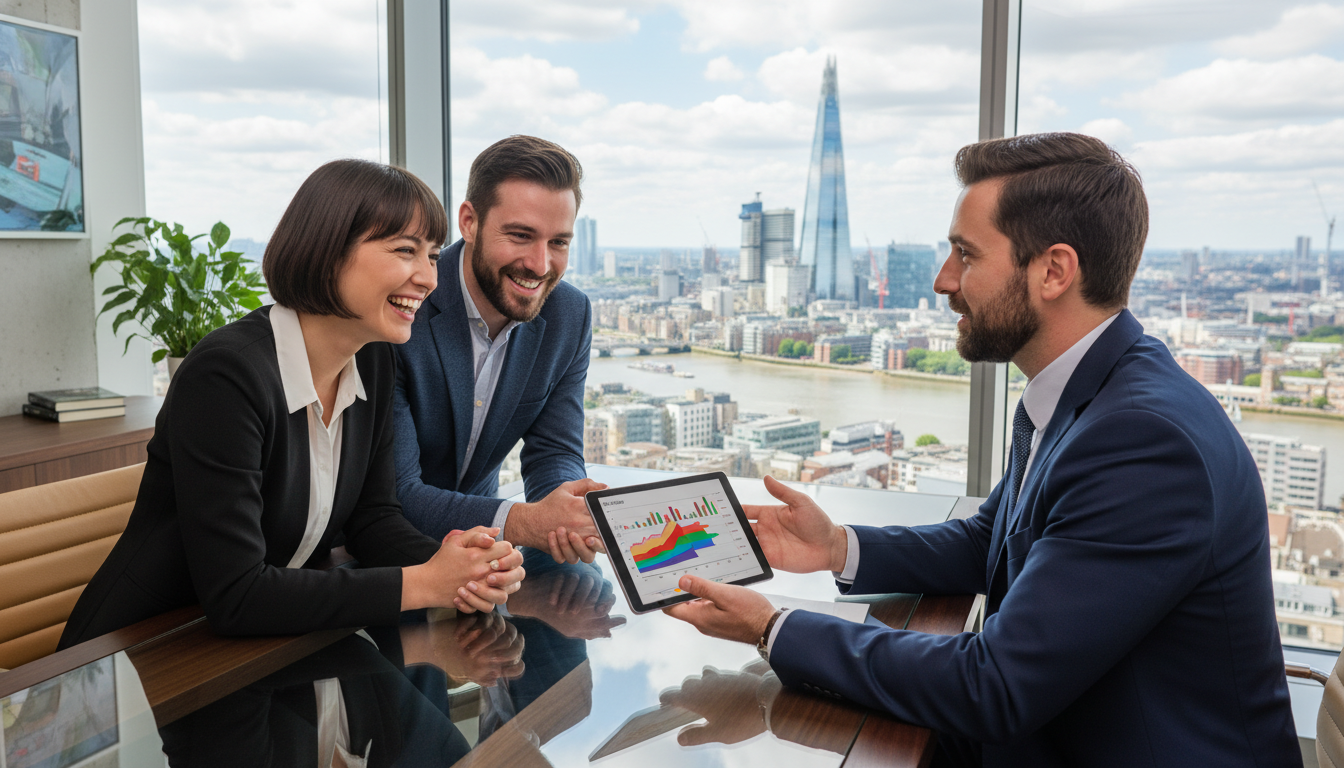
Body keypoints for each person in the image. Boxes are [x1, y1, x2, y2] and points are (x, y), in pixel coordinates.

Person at [663, 133, 1299, 766]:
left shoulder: (1145, 443)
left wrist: (771, 628)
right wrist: (835, 548)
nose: (943, 281)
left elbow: (994, 686)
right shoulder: (1090, 389)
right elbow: (991, 541)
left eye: (965, 255)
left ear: (1054, 271)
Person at [60, 159, 526, 648]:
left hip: (258, 650)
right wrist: (425, 583)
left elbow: (373, 521)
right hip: (140, 657)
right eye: (405, 250)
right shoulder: (225, 376)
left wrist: (461, 570)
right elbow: (237, 594)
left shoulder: (372, 363)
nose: (429, 278)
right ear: (327, 251)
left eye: (432, 255)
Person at [393, 135, 605, 564]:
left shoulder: (569, 314)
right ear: (469, 222)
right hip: (378, 556)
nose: (540, 264)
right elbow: (396, 491)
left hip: (487, 554)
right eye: (521, 235)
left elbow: (555, 450)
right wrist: (528, 522)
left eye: (559, 242)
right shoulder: (403, 303)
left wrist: (565, 509)